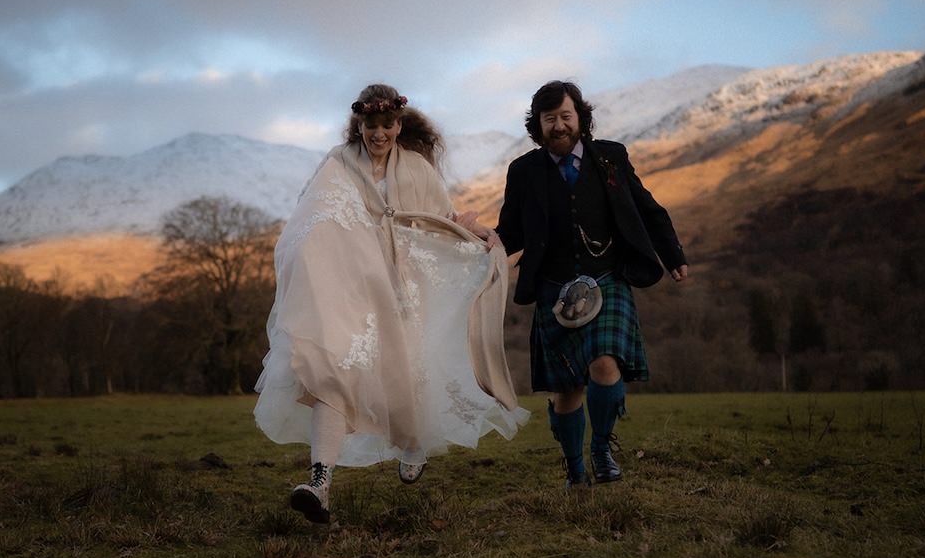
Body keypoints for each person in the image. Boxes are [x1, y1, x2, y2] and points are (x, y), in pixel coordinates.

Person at [254, 83, 528, 523]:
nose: (379, 134)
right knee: (332, 372)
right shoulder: (338, 164)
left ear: (398, 125)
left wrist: (474, 234)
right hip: (350, 289)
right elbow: (314, 215)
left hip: (405, 288)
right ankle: (319, 486)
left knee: (411, 372)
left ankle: (414, 443)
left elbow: (440, 218)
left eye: (386, 125)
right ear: (358, 126)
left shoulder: (417, 169)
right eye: (370, 126)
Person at [487, 80, 688, 488]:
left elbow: (648, 209)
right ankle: (575, 469)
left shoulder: (611, 158)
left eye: (565, 116)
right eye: (549, 119)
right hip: (551, 286)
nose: (558, 126)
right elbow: (510, 231)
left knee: (604, 362)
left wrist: (673, 254)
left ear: (580, 118)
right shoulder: (523, 171)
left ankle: (602, 450)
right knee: (567, 389)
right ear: (537, 125)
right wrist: (481, 241)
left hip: (607, 277)